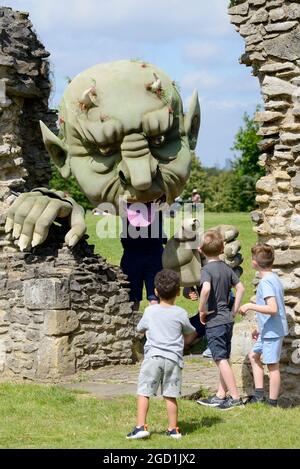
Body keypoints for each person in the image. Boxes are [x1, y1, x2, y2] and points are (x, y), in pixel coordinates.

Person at [126, 269, 196, 440]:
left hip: (153, 358)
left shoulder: (151, 311)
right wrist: (184, 342)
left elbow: (139, 328)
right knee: (171, 395)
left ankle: (141, 426)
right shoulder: (181, 313)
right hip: (173, 359)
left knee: (144, 391)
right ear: (178, 292)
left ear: (155, 291)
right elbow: (191, 332)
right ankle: (173, 430)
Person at [196, 230, 245, 410]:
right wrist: (234, 310)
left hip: (215, 320)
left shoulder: (206, 270)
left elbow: (206, 289)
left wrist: (202, 309)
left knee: (220, 359)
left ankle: (235, 398)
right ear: (222, 248)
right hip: (227, 320)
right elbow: (240, 288)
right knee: (224, 357)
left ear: (200, 249)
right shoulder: (226, 268)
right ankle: (220, 395)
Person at [240, 244, 288, 407]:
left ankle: (272, 403)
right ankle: (259, 395)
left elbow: (273, 308)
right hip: (267, 330)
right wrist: (260, 328)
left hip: (273, 332)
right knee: (254, 355)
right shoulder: (273, 278)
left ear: (254, 263)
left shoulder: (266, 282)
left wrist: (249, 306)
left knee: (272, 366)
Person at [120, 202, 167, 310]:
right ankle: (149, 324)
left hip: (136, 254)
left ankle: (132, 324)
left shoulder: (127, 206)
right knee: (148, 297)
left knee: (134, 298)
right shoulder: (157, 204)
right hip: (149, 254)